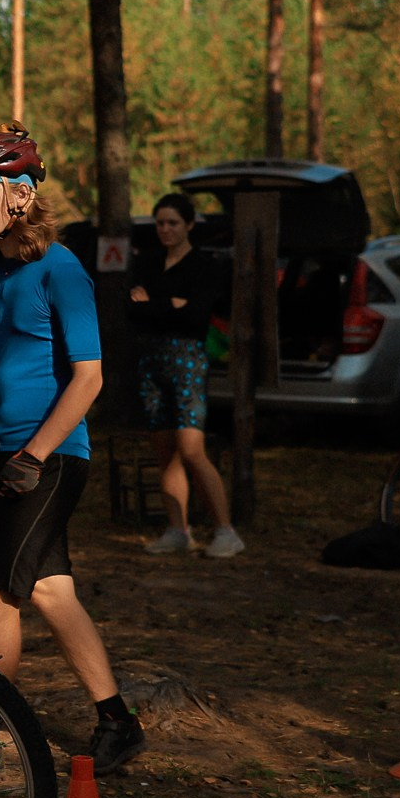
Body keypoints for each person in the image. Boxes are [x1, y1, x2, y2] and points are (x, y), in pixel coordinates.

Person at [0, 127, 145, 778]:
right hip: (9, 455)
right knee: (52, 591)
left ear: (22, 195)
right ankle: (119, 722)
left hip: (50, 459)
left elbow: (90, 378)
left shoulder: (61, 270)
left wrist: (32, 455)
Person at [128, 193, 243, 559]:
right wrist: (170, 305)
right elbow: (132, 311)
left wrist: (154, 304)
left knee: (192, 449)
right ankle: (178, 529)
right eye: (160, 223)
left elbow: (196, 315)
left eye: (173, 223)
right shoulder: (148, 262)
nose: (165, 229)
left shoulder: (204, 266)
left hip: (187, 362)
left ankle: (226, 530)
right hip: (151, 362)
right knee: (165, 451)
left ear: (189, 225)